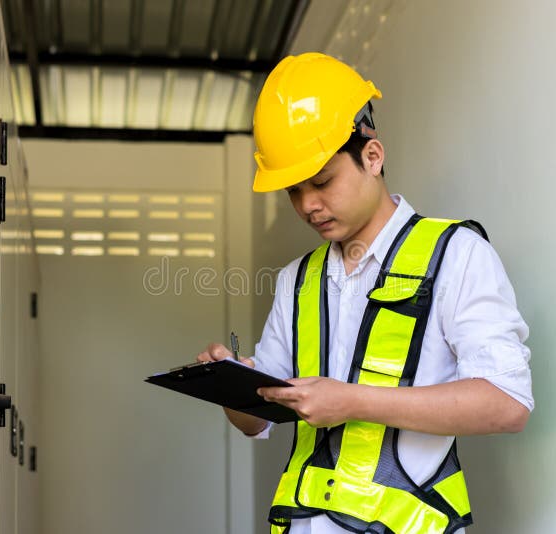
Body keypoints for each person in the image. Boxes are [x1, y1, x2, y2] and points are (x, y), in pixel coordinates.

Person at [197, 52, 533, 534]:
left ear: (372, 156)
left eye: (322, 182)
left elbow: (507, 402)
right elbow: (258, 422)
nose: (308, 205)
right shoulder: (296, 279)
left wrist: (353, 401)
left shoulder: (456, 254)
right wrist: (230, 385)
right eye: (293, 191)